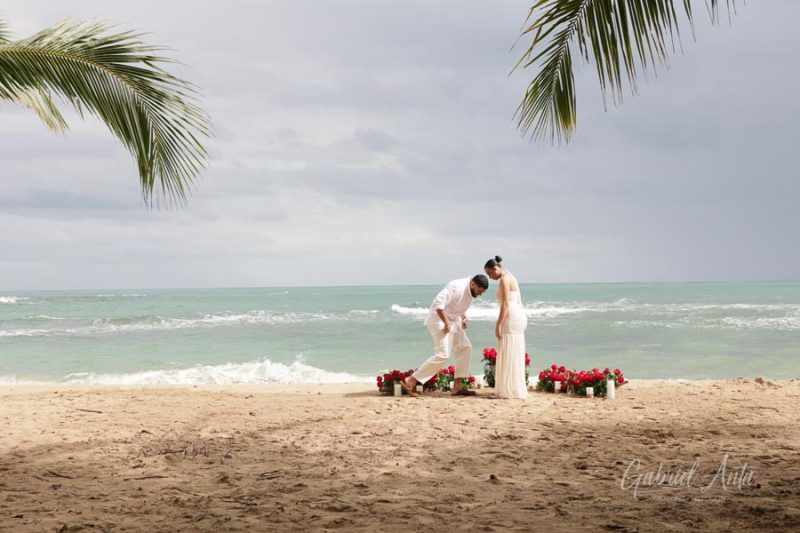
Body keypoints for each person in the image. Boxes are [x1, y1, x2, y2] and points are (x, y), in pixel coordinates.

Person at [402, 275, 489, 396]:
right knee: (443, 355)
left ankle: (457, 387)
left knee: (465, 348)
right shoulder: (456, 286)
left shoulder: (470, 290)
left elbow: (457, 305)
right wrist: (446, 323)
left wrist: (463, 317)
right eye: (479, 291)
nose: (480, 294)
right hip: (439, 322)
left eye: (482, 293)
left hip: (454, 321)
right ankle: (411, 380)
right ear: (473, 284)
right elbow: (438, 304)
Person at [485, 256, 528, 399]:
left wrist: (498, 325)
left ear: (495, 268)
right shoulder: (510, 276)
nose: (490, 278)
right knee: (513, 351)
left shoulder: (504, 279)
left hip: (511, 317)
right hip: (518, 315)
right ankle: (513, 387)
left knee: (508, 350)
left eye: (490, 274)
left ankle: (508, 389)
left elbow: (505, 305)